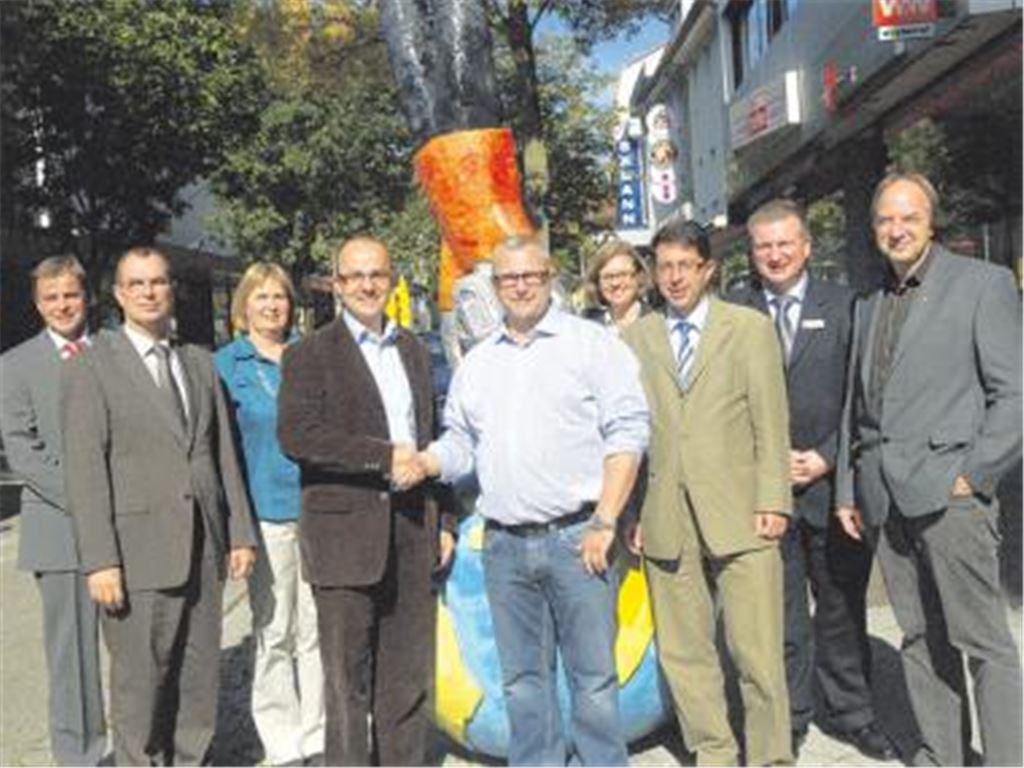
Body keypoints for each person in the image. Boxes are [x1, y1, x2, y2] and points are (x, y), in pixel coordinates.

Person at [417, 234, 650, 766]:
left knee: (592, 680)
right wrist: (427, 461)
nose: (520, 286)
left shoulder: (591, 345)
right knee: (523, 683)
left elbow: (628, 432)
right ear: (495, 286)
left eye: (531, 275)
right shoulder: (478, 364)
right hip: (504, 545)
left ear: (551, 280)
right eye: (508, 278)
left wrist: (605, 520)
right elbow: (461, 443)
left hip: (579, 539)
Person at [835, 172, 1022, 766]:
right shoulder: (869, 301)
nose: (896, 230)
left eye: (908, 218)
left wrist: (974, 475)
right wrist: (848, 487)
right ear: (873, 229)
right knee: (918, 638)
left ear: (930, 222)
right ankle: (942, 755)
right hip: (885, 500)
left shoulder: (982, 284)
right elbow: (855, 409)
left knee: (984, 644)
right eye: (886, 220)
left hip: (953, 500)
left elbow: (1015, 392)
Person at [61, 246, 257, 766]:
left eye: (158, 283)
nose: (149, 293)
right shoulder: (93, 368)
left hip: (204, 549)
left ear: (172, 290)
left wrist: (238, 531)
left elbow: (223, 456)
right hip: (137, 556)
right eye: (137, 284)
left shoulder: (197, 362)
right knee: (141, 687)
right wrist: (100, 559)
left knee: (198, 682)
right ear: (119, 294)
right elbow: (85, 472)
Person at [277, 236, 456, 766]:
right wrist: (382, 457)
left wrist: (443, 516)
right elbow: (299, 436)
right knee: (347, 684)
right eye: (354, 276)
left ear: (392, 278)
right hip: (343, 540)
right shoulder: (309, 353)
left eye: (376, 274)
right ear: (336, 285)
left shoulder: (413, 351)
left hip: (411, 531)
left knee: (405, 679)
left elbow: (432, 434)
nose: (366, 285)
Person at [727, 200, 896, 760]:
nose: (774, 255)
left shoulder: (845, 305)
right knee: (779, 614)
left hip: (831, 488)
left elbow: (863, 397)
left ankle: (852, 711)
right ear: (752, 253)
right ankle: (791, 716)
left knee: (842, 606)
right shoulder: (735, 311)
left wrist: (827, 456)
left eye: (784, 244)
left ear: (806, 247)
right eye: (763, 246)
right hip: (764, 492)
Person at [621, 219, 792, 765]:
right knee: (686, 653)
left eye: (684, 266)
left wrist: (774, 499)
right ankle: (713, 751)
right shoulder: (639, 338)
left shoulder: (747, 328)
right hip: (667, 512)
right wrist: (636, 511)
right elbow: (632, 433)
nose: (673, 278)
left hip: (744, 511)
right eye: (663, 266)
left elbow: (771, 421)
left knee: (756, 653)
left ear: (708, 269)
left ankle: (770, 757)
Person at [215, 263, 324, 766]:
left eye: (279, 296)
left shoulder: (311, 357)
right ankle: (282, 741)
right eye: (261, 297)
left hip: (320, 511)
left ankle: (318, 734)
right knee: (274, 629)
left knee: (318, 628)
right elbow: (219, 451)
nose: (271, 305)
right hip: (265, 515)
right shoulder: (226, 366)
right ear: (243, 306)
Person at [0, 255, 107, 766]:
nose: (62, 305)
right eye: (51, 297)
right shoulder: (15, 366)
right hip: (60, 528)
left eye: (70, 294)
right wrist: (87, 500)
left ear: (87, 296)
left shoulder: (115, 352)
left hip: (128, 522)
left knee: (138, 648)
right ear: (38, 303)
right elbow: (22, 450)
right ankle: (81, 756)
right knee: (73, 657)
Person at [582, 238, 652, 332]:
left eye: (623, 274)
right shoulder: (587, 326)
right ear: (597, 282)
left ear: (639, 277)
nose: (615, 283)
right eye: (608, 277)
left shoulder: (660, 323)